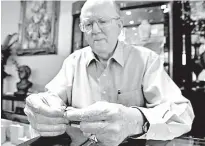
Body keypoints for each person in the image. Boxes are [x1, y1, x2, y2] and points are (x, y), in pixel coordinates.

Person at [24, 0, 195, 146]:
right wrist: (43, 107)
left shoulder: (146, 59)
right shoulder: (73, 61)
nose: (95, 30)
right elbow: (53, 96)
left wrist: (135, 121)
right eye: (88, 24)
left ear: (119, 25)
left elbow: (183, 112)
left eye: (103, 21)